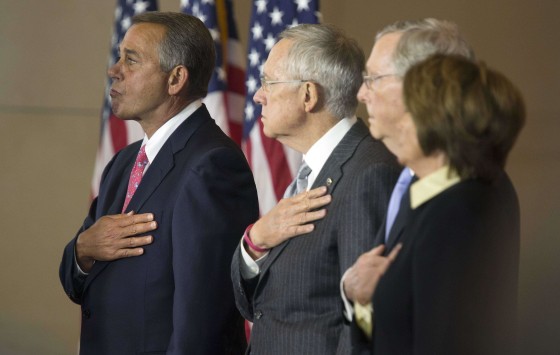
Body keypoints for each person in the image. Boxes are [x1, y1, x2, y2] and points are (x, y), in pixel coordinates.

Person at [59, 12, 259, 355]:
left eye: (131, 59)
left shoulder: (212, 165)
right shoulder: (124, 162)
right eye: (119, 56)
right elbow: (78, 284)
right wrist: (82, 250)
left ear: (176, 78)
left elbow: (202, 321)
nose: (114, 69)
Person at [230, 24, 400, 354]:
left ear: (308, 95)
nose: (257, 95)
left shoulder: (369, 173)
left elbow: (365, 320)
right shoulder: (313, 171)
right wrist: (255, 241)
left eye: (268, 82)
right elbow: (255, 307)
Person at [347, 53, 525, 354]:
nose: (399, 122)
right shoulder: (432, 205)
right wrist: (364, 302)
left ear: (439, 124)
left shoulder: (459, 213)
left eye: (409, 111)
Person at [340, 17, 475, 334]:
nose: (361, 93)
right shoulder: (411, 177)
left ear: (421, 86)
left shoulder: (465, 197)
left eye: (373, 78)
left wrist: (370, 296)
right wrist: (358, 296)